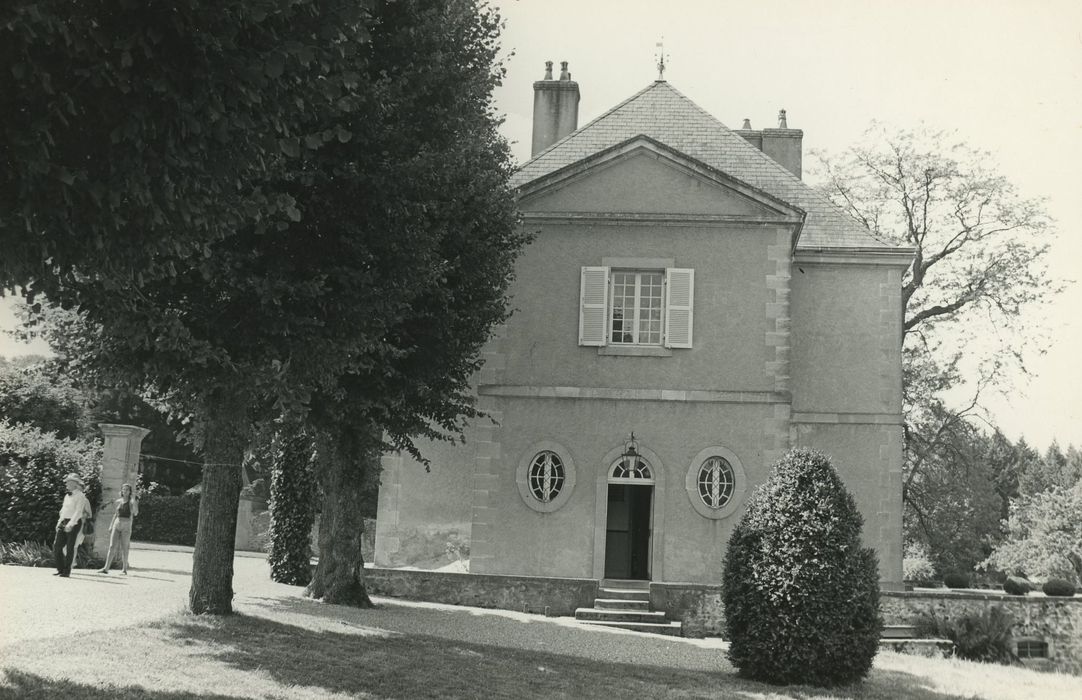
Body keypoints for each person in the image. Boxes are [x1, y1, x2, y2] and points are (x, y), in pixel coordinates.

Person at [53, 473, 91, 577]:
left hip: (74, 522)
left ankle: (66, 571)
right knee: (57, 546)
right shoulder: (67, 495)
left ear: (75, 484)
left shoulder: (80, 496)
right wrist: (59, 523)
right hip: (64, 521)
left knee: (70, 547)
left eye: (68, 482)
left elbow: (78, 512)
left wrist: (70, 524)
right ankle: (60, 569)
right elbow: (63, 511)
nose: (66, 484)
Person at [98, 483, 139, 574]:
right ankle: (106, 568)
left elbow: (135, 513)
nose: (125, 491)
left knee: (125, 547)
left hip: (126, 524)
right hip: (117, 523)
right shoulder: (118, 501)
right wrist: (111, 525)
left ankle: (124, 569)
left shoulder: (131, 502)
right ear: (121, 491)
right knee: (112, 546)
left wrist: (135, 502)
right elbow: (115, 514)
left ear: (130, 491)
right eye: (123, 489)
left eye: (127, 490)